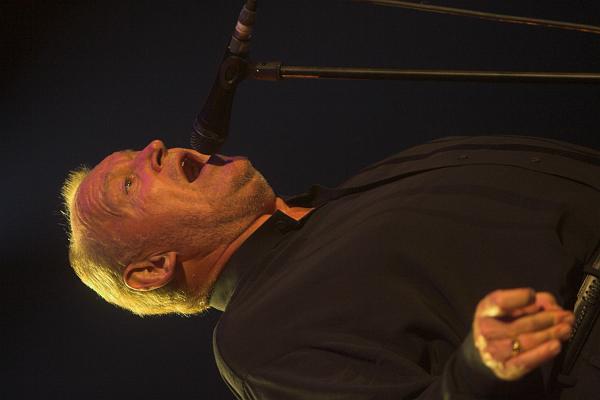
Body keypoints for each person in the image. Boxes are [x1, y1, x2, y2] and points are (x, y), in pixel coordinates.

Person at [62, 135, 600, 399]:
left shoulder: (344, 197)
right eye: (128, 183)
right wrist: (480, 371)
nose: (155, 146)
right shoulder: (255, 340)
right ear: (152, 268)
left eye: (138, 152)